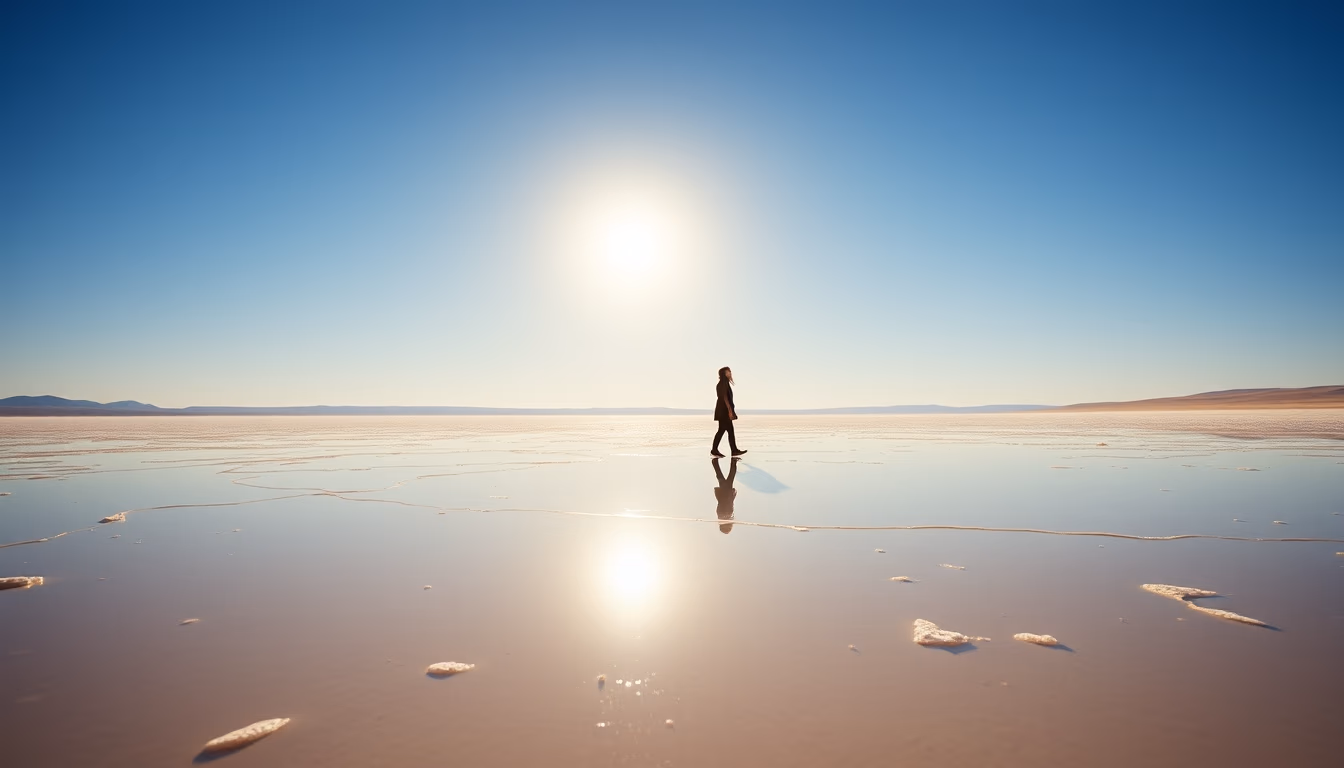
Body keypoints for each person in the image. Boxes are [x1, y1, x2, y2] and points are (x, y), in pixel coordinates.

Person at [711, 366, 746, 457]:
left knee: (723, 430)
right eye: (728, 372)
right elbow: (724, 397)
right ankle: (732, 450)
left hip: (722, 410)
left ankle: (718, 450)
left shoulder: (723, 383)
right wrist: (730, 410)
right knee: (727, 430)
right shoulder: (723, 383)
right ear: (724, 374)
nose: (730, 373)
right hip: (724, 411)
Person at [712, 457, 738, 534]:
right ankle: (715, 462)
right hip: (724, 495)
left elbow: (727, 503)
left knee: (729, 476)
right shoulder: (722, 516)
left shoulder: (725, 516)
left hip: (726, 494)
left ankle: (733, 462)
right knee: (722, 477)